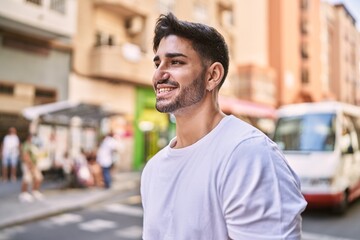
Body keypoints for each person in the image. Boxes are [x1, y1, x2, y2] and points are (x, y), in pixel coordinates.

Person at [140, 13, 307, 240]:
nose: (159, 74)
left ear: (213, 76)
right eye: (158, 63)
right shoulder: (153, 169)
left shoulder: (249, 155)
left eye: (176, 62)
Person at [19, 134, 44, 202]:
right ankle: (23, 194)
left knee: (38, 178)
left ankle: (35, 191)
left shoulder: (33, 145)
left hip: (34, 165)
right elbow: (25, 155)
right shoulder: (26, 145)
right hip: (28, 164)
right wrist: (29, 165)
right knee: (27, 179)